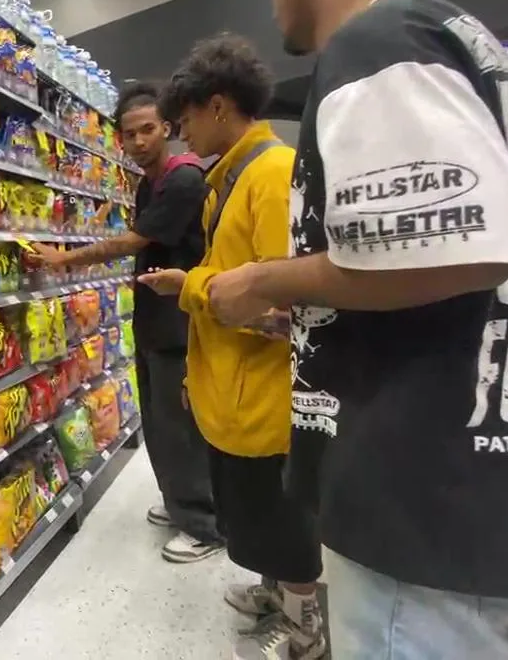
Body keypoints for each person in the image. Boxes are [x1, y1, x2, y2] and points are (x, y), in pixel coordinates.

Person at [195, 0, 508, 657]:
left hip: (422, 491)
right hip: (466, 472)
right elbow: (426, 252)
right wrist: (311, 311)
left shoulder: (378, 42)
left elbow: (456, 249)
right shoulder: (440, 34)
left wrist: (262, 280)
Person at [138, 33, 325, 660]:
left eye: (185, 119)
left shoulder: (269, 175)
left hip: (263, 399)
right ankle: (275, 594)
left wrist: (192, 287)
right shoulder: (230, 179)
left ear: (218, 106)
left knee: (283, 522)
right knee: (257, 517)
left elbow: (282, 305)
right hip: (233, 389)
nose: (180, 134)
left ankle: (306, 631)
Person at [31, 81, 223, 563]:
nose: (138, 141)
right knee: (158, 420)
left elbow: (132, 242)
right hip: (155, 319)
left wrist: (64, 258)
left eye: (147, 130)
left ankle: (205, 523)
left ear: (167, 129)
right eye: (129, 134)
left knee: (181, 426)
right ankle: (180, 503)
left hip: (181, 321)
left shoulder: (184, 180)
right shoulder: (147, 183)